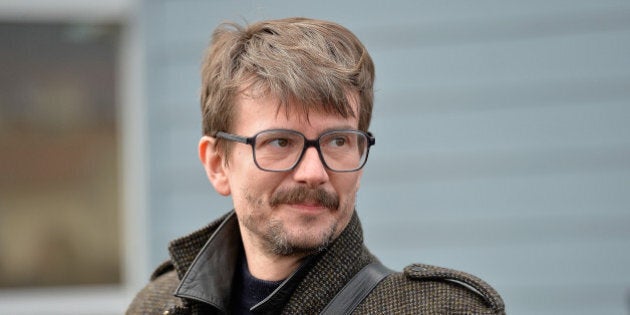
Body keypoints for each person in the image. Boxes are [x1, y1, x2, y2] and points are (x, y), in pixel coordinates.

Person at [127, 17, 505, 315]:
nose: (313, 172)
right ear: (217, 164)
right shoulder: (157, 306)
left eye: (338, 141)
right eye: (279, 142)